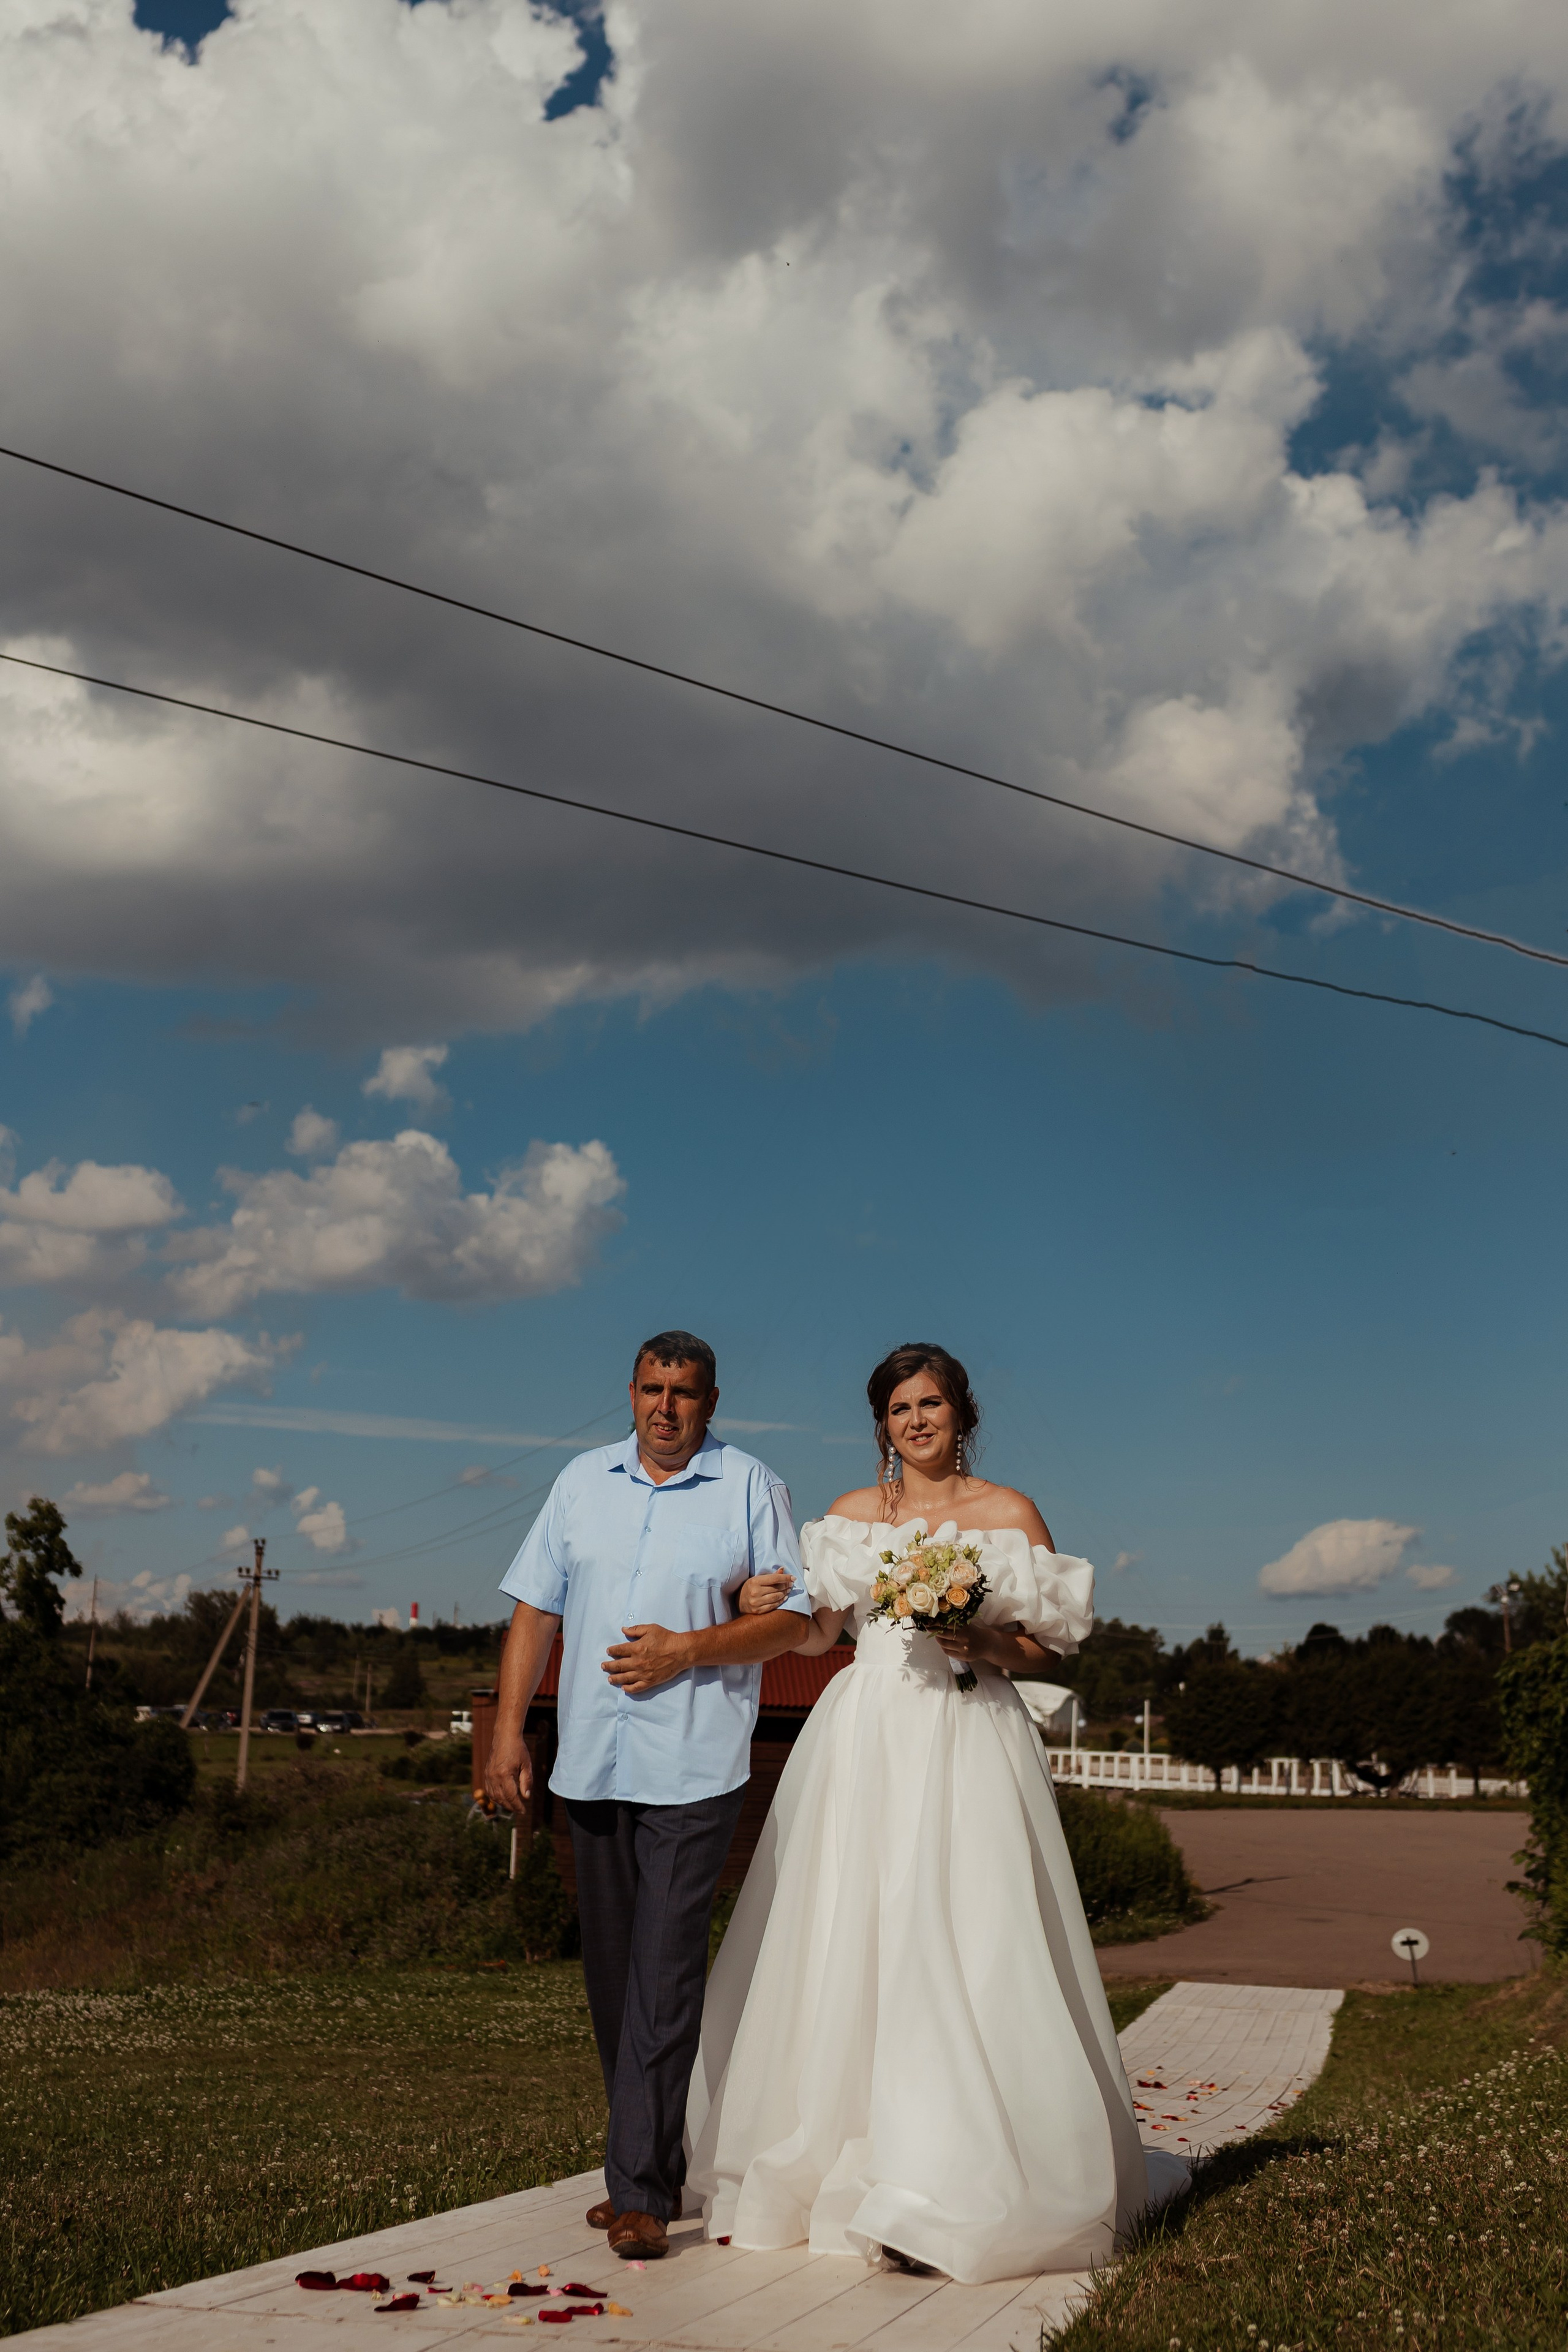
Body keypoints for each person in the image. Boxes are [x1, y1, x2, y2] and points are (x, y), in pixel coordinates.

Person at [685, 1341, 1188, 2284]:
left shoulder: (1010, 1515)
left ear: (963, 1413)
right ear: (882, 1425)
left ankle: (958, 2173)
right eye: (899, 1408)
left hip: (969, 1737)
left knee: (972, 1934)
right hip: (866, 1737)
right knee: (853, 1934)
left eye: (932, 1404)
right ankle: (843, 2156)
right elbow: (818, 1635)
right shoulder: (849, 1518)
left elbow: (1049, 1650)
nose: (916, 1421)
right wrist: (750, 1599)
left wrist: (986, 1643)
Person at [485, 1330, 812, 2261]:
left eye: (685, 1392)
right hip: (591, 1763)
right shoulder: (579, 1483)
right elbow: (535, 1609)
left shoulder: (751, 1487)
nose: (666, 1408)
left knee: (664, 1976)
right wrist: (509, 1732)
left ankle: (638, 2193)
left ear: (712, 1402)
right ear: (630, 1392)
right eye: (651, 1389)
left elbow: (792, 1623)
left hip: (693, 1767)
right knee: (612, 1980)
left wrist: (687, 1649)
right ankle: (649, 2159)